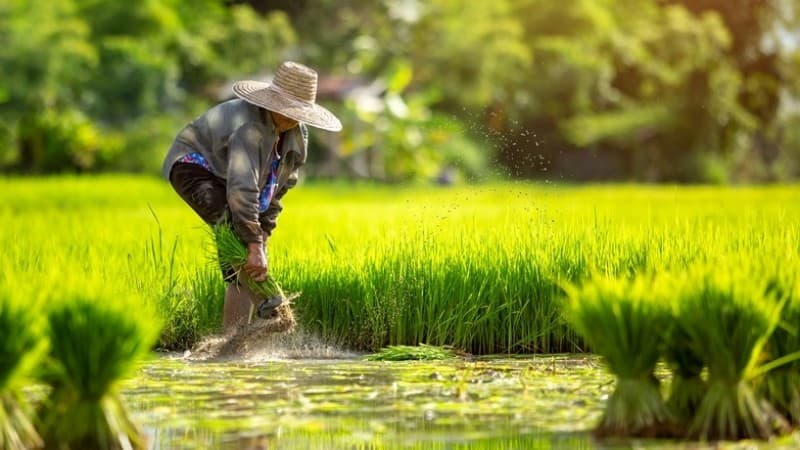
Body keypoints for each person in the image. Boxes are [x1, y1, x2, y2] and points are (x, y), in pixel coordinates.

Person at [162, 61, 342, 329]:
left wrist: (263, 232)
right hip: (194, 165)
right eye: (286, 110)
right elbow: (241, 187)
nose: (291, 117)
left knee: (244, 251)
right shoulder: (249, 127)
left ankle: (235, 337)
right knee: (236, 233)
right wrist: (254, 245)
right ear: (272, 104)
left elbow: (280, 186)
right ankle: (265, 307)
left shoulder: (296, 134)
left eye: (297, 113)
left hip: (233, 179)